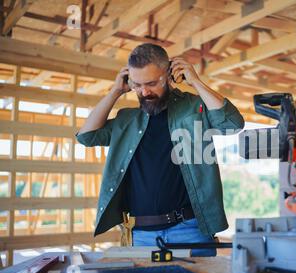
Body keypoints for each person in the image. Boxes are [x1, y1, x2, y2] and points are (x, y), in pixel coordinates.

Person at [76, 43, 245, 256]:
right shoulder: (126, 120)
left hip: (191, 230)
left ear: (170, 74)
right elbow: (87, 136)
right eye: (137, 85)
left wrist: (196, 82)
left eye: (152, 83)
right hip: (141, 235)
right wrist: (115, 91)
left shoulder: (195, 108)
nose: (144, 91)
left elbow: (232, 123)